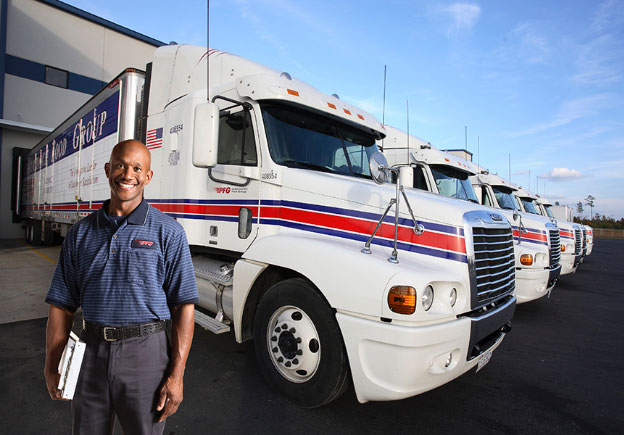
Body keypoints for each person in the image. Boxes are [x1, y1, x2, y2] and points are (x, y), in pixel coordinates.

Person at [44, 139, 198, 435]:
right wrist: (52, 364)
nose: (127, 174)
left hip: (146, 356)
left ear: (148, 176)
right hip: (90, 354)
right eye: (120, 165)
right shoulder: (80, 234)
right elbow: (62, 305)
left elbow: (183, 307)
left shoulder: (169, 232)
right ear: (107, 169)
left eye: (137, 168)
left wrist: (176, 376)